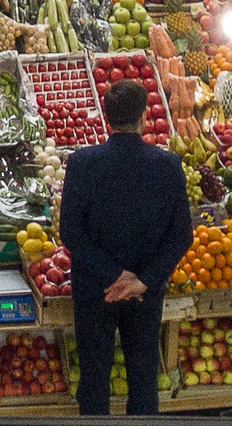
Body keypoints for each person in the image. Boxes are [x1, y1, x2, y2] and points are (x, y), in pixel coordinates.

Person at [59, 79, 192, 416]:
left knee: (93, 378)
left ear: (107, 117)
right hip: (145, 295)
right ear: (145, 117)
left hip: (95, 290)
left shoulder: (82, 163)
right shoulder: (168, 165)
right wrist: (142, 280)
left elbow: (70, 232)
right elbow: (181, 236)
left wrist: (113, 275)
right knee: (144, 376)